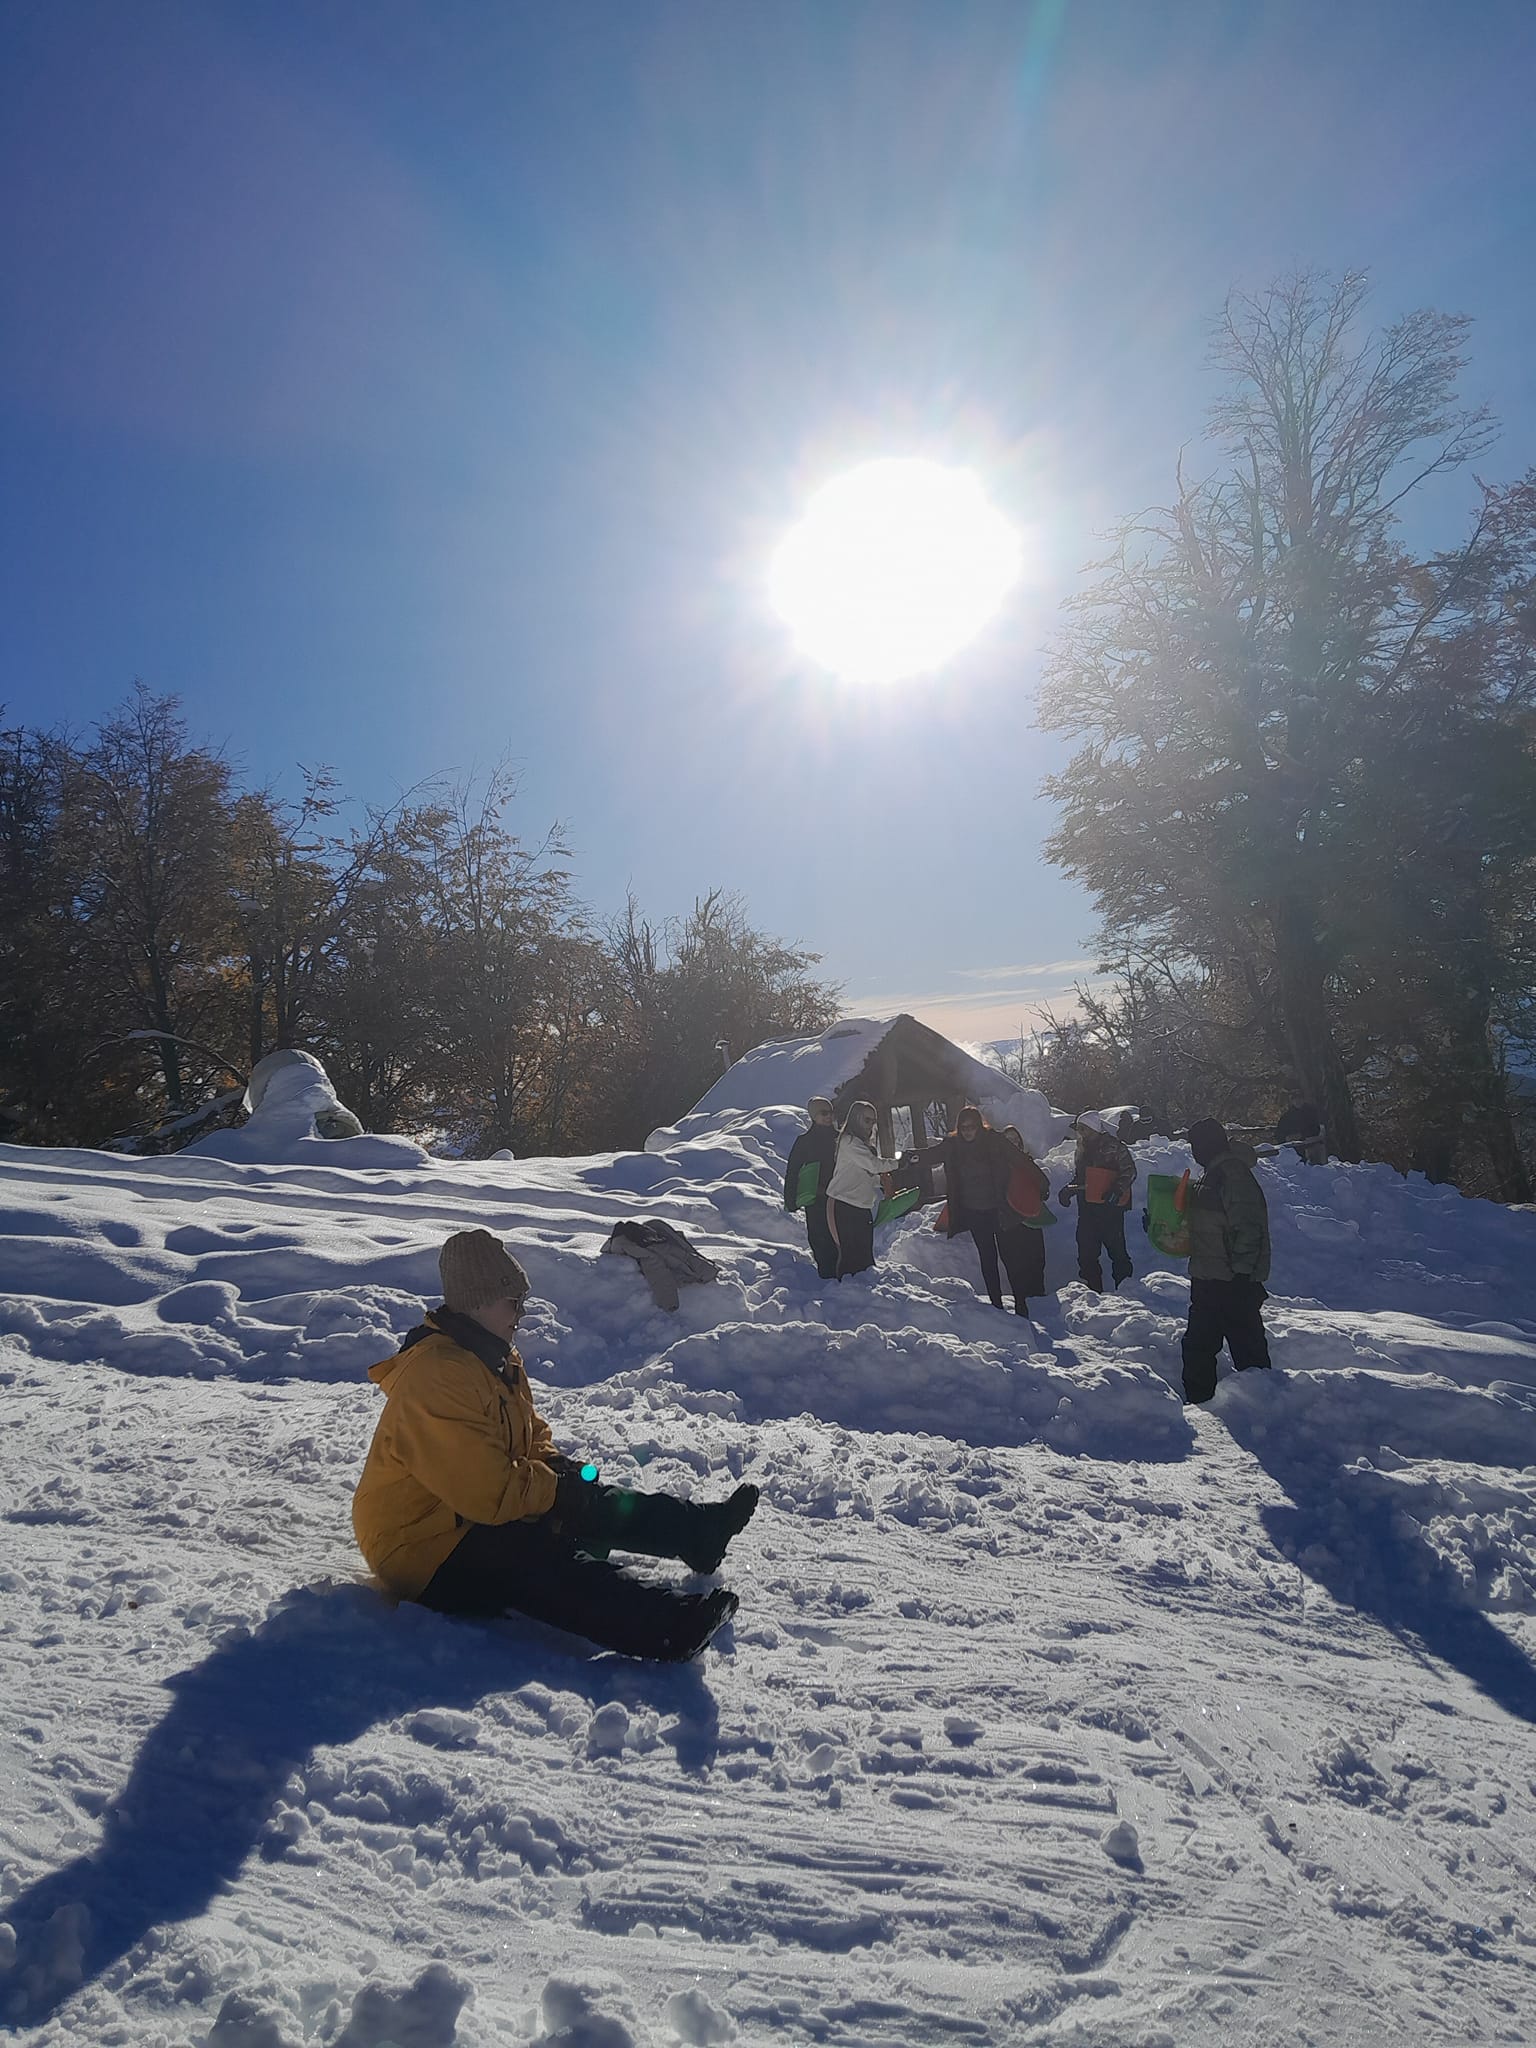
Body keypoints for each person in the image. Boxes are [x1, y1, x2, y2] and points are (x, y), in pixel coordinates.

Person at [352, 1228, 759, 1659]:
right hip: (419, 1543)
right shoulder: (439, 1376)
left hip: (466, 1514)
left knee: (591, 1498)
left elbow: (529, 1436)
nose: (521, 1312)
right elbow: (487, 1492)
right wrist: (555, 1491)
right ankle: (667, 1626)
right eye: (512, 1301)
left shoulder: (494, 1357)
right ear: (477, 1301)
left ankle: (698, 1533)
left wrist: (560, 1472)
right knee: (532, 1556)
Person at [1180, 1117, 1272, 1404]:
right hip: (1208, 1277)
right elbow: (1205, 1224)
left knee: (1249, 1351)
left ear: (1209, 1143)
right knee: (1197, 1348)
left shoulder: (1233, 1175)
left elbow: (1248, 1227)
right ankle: (1200, 1405)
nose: (1194, 1151)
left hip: (1233, 1282)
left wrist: (1242, 1275)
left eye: (1196, 1145)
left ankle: (1263, 1408)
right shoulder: (1212, 1174)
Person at [918, 1105, 1040, 1314]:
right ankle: (996, 1305)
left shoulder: (994, 1140)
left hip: (999, 1209)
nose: (967, 1131)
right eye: (963, 1127)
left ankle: (1021, 1302)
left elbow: (1020, 1159)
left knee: (1010, 1257)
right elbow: (932, 1155)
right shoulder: (953, 1145)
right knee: (988, 1258)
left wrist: (1041, 1184)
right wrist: (910, 1158)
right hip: (975, 1212)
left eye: (972, 1126)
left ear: (979, 1126)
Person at [1057, 1113, 1136, 1290]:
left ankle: (1126, 1291)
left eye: (1083, 1129)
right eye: (1078, 1129)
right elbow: (1081, 1177)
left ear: (1093, 1129)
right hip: (1087, 1208)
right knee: (1086, 1253)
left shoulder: (1114, 1146)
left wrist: (1117, 1190)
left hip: (1110, 1209)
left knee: (1117, 1253)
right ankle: (1094, 1290)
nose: (1080, 1133)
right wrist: (1069, 1190)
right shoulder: (1081, 1149)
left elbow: (1130, 1171)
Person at [825, 1099, 901, 1278]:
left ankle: (864, 1296)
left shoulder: (863, 1145)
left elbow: (866, 1175)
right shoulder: (849, 1142)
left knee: (865, 1257)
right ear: (856, 1119)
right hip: (842, 1205)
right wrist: (900, 1163)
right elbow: (874, 1165)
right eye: (867, 1120)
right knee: (850, 1257)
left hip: (861, 1207)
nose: (871, 1125)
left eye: (874, 1121)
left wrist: (881, 1183)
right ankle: (846, 1294)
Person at [783, 1096, 840, 1279]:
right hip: (816, 1198)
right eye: (824, 1113)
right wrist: (790, 1199)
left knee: (843, 1235)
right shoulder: (805, 1141)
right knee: (820, 1236)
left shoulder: (841, 1138)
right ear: (813, 1116)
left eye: (831, 1112)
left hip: (841, 1195)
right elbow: (793, 1171)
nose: (829, 1116)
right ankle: (827, 1275)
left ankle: (845, 1272)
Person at [999, 1124, 1052, 1313]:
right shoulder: (996, 1166)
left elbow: (1042, 1185)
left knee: (1036, 1260)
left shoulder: (1028, 1162)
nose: (1012, 1143)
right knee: (1014, 1263)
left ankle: (1039, 1298)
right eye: (1008, 1140)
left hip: (1031, 1218)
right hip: (1008, 1221)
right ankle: (1021, 1302)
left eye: (1015, 1140)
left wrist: (1039, 1193)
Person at [1274, 1098, 1326, 1165]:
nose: (1297, 1101)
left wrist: (1301, 1135)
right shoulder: (1286, 1116)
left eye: (1299, 1099)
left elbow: (1316, 1130)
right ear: (1292, 1101)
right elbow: (1279, 1133)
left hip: (1308, 1147)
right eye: (1295, 1099)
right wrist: (1286, 1138)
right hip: (1291, 1150)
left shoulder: (1310, 1113)